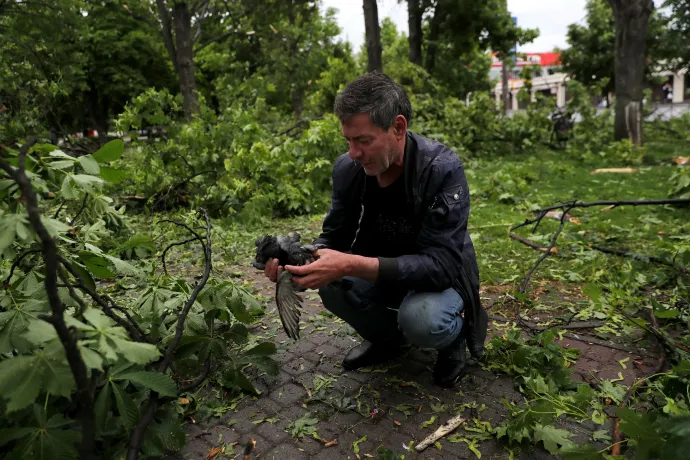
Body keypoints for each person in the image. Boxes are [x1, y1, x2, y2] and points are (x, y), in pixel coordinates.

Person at [263, 72, 487, 387]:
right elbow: (335, 237)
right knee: (333, 285)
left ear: (398, 127)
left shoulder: (441, 170)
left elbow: (443, 268)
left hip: (438, 280)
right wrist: (298, 261)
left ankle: (453, 342)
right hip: (383, 268)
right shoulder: (348, 169)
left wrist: (352, 263)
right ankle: (388, 342)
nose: (354, 153)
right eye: (349, 140)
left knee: (422, 318)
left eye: (363, 140)